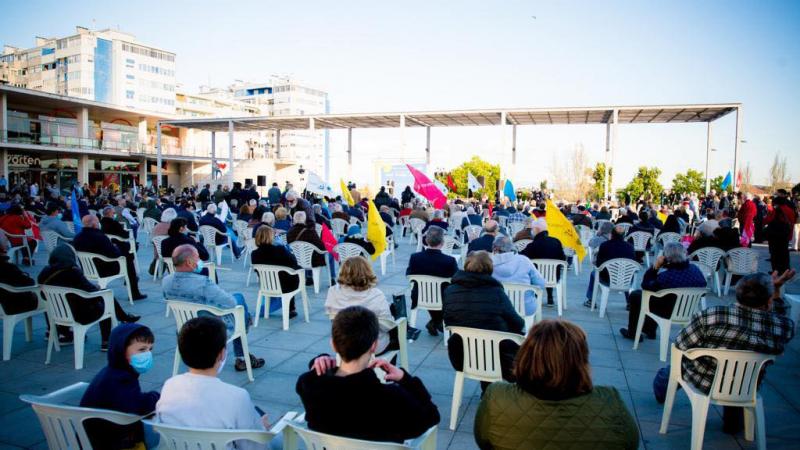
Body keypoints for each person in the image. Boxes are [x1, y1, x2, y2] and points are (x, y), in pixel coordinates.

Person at [654, 270, 796, 434]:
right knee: (737, 372)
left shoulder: (713, 315)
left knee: (680, 362)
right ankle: (733, 421)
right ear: (769, 301)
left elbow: (681, 344)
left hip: (706, 380)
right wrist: (776, 293)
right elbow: (781, 320)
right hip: (746, 386)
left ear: (737, 293)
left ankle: (660, 389)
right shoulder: (782, 327)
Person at [475, 320, 640, 449]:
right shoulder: (610, 401)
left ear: (526, 355)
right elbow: (630, 443)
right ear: (581, 360)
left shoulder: (497, 397)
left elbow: (483, 440)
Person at [296, 306, 440, 442]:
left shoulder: (309, 386)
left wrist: (319, 361)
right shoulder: (392, 399)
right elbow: (432, 416)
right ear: (374, 346)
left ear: (333, 344)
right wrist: (406, 379)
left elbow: (313, 378)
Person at [156, 317, 277, 450]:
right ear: (221, 354)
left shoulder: (170, 386)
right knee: (278, 438)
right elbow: (255, 447)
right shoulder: (237, 397)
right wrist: (261, 431)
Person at [162, 244, 265, 372]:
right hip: (209, 329)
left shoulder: (166, 281)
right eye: (197, 258)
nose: (200, 261)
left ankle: (243, 350)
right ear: (189, 262)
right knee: (239, 300)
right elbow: (231, 303)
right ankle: (242, 354)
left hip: (184, 328)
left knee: (237, 301)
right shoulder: (202, 283)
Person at [443, 251, 524, 391]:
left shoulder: (450, 290)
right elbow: (517, 323)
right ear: (489, 268)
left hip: (462, 355)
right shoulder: (496, 292)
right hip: (500, 360)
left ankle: (486, 390)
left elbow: (448, 320)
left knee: (484, 335)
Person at [38, 245, 139, 349]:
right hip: (80, 315)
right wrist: (97, 288)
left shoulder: (44, 272)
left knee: (101, 295)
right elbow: (92, 292)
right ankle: (107, 340)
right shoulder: (73, 272)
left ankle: (62, 333)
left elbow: (42, 294)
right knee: (106, 297)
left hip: (55, 314)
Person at [80, 324, 160, 450]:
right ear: (121, 350)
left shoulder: (112, 371)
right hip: (109, 442)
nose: (148, 354)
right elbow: (137, 407)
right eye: (142, 349)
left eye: (150, 349)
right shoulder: (121, 378)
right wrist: (156, 397)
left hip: (92, 438)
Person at [619, 242, 706, 341]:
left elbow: (646, 285)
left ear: (666, 258)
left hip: (668, 311)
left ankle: (633, 333)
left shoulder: (667, 276)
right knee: (652, 294)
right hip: (688, 310)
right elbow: (703, 291)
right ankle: (649, 329)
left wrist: (655, 268)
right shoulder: (695, 269)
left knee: (636, 295)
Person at [325, 256, 395, 354]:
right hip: (372, 347)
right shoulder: (376, 294)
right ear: (367, 272)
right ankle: (387, 367)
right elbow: (387, 326)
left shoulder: (332, 292)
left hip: (344, 346)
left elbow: (332, 318)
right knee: (395, 334)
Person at [73, 215, 146, 300]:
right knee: (127, 259)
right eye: (97, 222)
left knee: (126, 254)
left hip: (87, 268)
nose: (98, 224)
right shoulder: (99, 236)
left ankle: (132, 282)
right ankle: (134, 292)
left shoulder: (77, 237)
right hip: (104, 269)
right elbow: (114, 254)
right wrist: (116, 248)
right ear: (93, 224)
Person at [406, 226, 458, 336]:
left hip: (419, 295)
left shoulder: (415, 257)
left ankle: (435, 322)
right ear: (443, 242)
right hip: (442, 298)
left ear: (426, 240)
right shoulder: (449, 261)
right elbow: (456, 280)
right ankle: (437, 322)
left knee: (435, 293)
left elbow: (409, 274)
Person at [250, 226, 299, 318]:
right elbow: (293, 263)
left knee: (286, 276)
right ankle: (290, 309)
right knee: (292, 275)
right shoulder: (280, 250)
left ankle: (286, 308)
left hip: (267, 284)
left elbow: (256, 271)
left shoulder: (254, 254)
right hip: (286, 285)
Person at [490, 235, 546, 316]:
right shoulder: (524, 260)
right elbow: (541, 283)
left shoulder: (488, 263)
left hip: (498, 308)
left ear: (494, 248)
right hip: (525, 307)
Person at [584, 224, 637, 307]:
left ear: (611, 234)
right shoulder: (630, 247)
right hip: (626, 279)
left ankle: (591, 300)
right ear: (624, 236)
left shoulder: (605, 245)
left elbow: (598, 264)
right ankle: (629, 302)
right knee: (626, 271)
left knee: (594, 273)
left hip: (607, 278)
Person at [520, 218, 566, 306]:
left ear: (537, 229)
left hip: (536, 278)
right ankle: (550, 297)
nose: (532, 231)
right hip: (554, 277)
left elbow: (522, 257)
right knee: (549, 271)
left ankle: (535, 295)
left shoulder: (532, 245)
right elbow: (563, 259)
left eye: (533, 229)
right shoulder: (556, 242)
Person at [0, 233, 39, 316]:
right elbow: (29, 283)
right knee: (44, 297)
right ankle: (55, 327)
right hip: (10, 305)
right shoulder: (7, 268)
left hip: (4, 302)